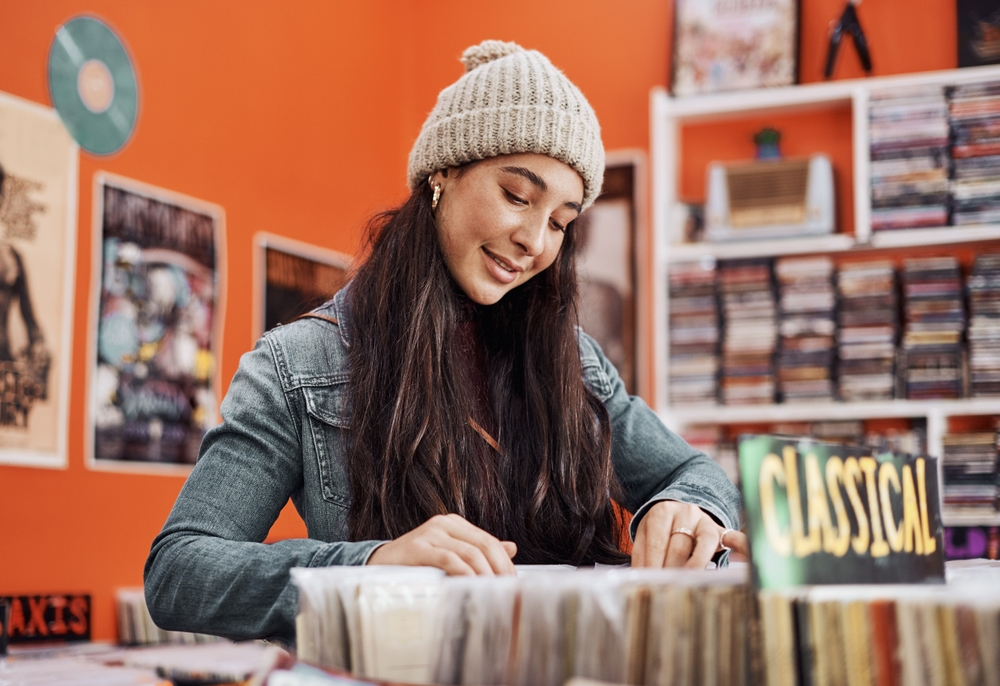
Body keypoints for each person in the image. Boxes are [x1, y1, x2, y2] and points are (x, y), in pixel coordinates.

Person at [144, 40, 747, 645]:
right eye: (517, 196)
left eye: (561, 222)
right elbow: (179, 571)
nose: (535, 240)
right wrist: (371, 567)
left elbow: (698, 472)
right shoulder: (298, 364)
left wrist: (691, 508)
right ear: (444, 172)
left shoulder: (576, 362)